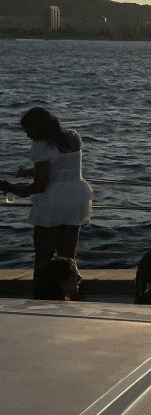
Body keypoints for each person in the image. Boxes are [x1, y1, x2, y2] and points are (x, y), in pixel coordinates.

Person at [0, 107, 93, 296]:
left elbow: (40, 186)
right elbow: (62, 168)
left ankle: (41, 297)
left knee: (43, 257)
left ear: (38, 128)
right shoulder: (73, 137)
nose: (27, 135)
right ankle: (70, 295)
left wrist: (9, 187)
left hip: (53, 201)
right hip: (76, 198)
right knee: (67, 257)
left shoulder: (42, 146)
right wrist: (33, 171)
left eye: (28, 130)